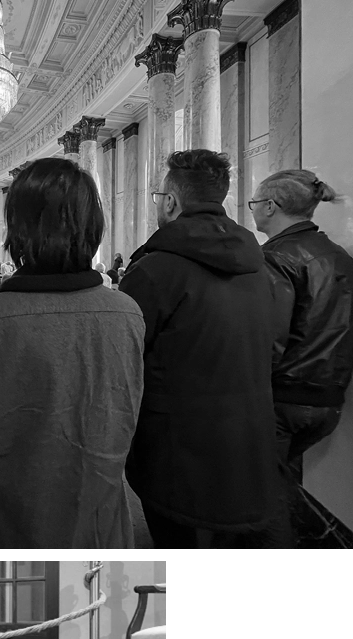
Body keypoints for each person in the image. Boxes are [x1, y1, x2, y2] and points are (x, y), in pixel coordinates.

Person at [0, 158, 145, 550]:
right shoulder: (128, 313)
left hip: (12, 515)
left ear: (18, 231)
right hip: (101, 515)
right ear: (93, 228)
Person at [120, 149, 289, 550]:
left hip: (175, 452)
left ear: (173, 202)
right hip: (248, 440)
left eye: (160, 198)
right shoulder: (261, 266)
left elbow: (124, 362)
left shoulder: (153, 271)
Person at [253, 169, 353, 539]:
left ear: (270, 206)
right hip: (327, 398)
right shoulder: (340, 255)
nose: (252, 209)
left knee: (264, 503)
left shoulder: (275, 257)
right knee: (287, 487)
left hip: (283, 398)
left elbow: (268, 336)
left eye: (254, 202)